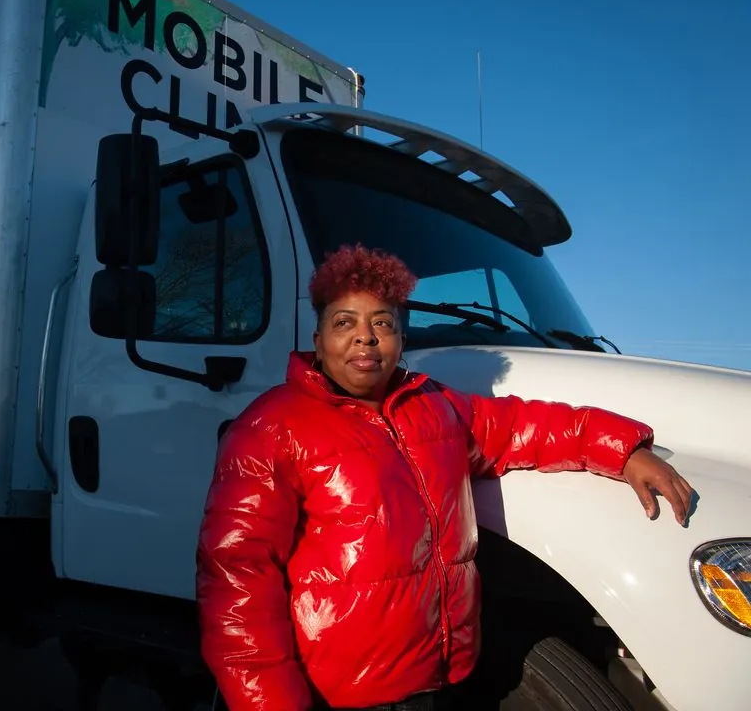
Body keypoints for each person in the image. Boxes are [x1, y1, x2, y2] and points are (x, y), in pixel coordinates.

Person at [195, 244, 693, 711]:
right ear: (318, 339)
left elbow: (521, 427)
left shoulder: (435, 408)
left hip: (441, 676)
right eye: (344, 321)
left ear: (401, 338)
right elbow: (238, 578)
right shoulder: (272, 426)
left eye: (382, 323)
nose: (365, 336)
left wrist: (624, 450)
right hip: (340, 691)